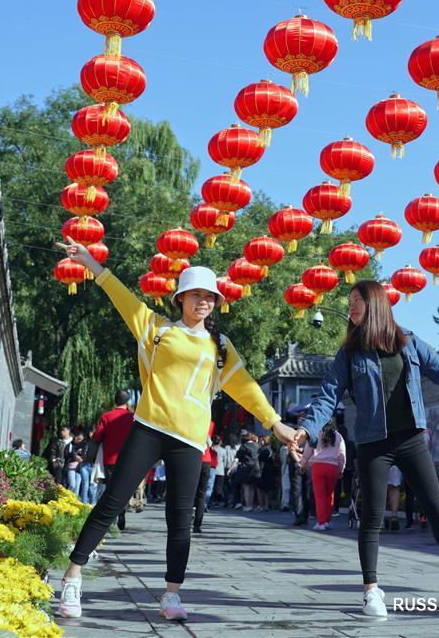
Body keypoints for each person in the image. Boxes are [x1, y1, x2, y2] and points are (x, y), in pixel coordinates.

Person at [56, 244, 295, 623]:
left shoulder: (220, 346)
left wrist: (276, 424)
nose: (204, 301)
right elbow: (121, 297)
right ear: (180, 297)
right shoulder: (156, 328)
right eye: (196, 294)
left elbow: (246, 388)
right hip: (150, 428)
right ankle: (73, 575)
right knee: (112, 501)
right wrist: (93, 266)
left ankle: (171, 594)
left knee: (180, 519)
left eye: (210, 296)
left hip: (189, 439)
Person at [292, 280, 439, 618]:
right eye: (350, 302)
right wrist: (306, 429)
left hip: (410, 439)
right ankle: (371, 591)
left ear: (375, 304)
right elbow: (328, 394)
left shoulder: (409, 342)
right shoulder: (349, 353)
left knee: (435, 508)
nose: (351, 307)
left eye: (357, 300)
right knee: (372, 516)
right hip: (374, 443)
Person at [93, 389, 134, 531]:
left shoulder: (106, 416)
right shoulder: (133, 418)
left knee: (111, 489)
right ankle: (122, 510)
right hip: (128, 458)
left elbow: (97, 436)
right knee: (124, 487)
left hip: (110, 459)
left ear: (114, 401)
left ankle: (113, 516)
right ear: (127, 402)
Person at [300, 420, 345, 531]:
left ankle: (321, 522)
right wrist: (341, 468)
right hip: (333, 467)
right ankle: (328, 521)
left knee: (319, 496)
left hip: (318, 466)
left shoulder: (315, 434)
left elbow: (307, 452)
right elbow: (342, 454)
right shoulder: (338, 436)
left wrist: (303, 465)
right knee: (330, 495)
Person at [193, 424, 216, 534]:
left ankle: (187, 520)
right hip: (207, 460)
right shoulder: (210, 424)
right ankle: (197, 524)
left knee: (190, 492)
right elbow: (210, 443)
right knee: (201, 495)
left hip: (194, 459)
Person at [333, 426, 355, 516]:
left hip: (338, 468)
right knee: (348, 489)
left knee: (336, 489)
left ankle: (336, 509)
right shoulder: (351, 444)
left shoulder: (336, 443)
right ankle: (350, 507)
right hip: (349, 468)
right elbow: (355, 457)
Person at [236, 432, 260, 512]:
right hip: (256, 467)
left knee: (246, 487)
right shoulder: (257, 445)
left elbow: (238, 456)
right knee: (252, 487)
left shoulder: (244, 446)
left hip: (246, 467)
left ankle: (247, 505)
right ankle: (251, 505)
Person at [65, 429, 87, 497]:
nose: (79, 440)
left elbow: (87, 456)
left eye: (80, 438)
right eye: (77, 437)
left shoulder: (85, 446)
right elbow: (66, 455)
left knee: (77, 487)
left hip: (80, 468)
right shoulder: (70, 445)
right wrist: (74, 456)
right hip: (71, 467)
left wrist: (82, 458)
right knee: (72, 485)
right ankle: (66, 498)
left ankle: (74, 503)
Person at [80, 428, 99, 506]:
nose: (91, 434)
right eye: (90, 432)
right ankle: (84, 504)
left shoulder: (98, 442)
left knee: (92, 485)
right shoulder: (85, 442)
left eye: (93, 432)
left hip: (94, 466)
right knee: (85, 484)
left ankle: (92, 503)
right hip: (85, 465)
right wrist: (76, 456)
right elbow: (74, 448)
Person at [256, 435, 274, 511]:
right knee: (267, 489)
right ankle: (267, 504)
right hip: (269, 470)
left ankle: (261, 505)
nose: (260, 442)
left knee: (260, 489)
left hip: (262, 469)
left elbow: (260, 460)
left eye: (261, 440)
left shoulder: (263, 450)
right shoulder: (271, 449)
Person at [210, 435, 226, 507]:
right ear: (220, 442)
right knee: (219, 486)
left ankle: (211, 500)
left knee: (211, 486)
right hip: (220, 470)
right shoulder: (223, 450)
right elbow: (225, 460)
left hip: (212, 468)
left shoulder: (212, 449)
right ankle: (217, 501)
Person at [384, 465, 401, 531]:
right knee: (394, 486)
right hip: (394, 459)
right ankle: (394, 516)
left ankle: (380, 520)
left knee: (379, 486)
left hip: (377, 457)